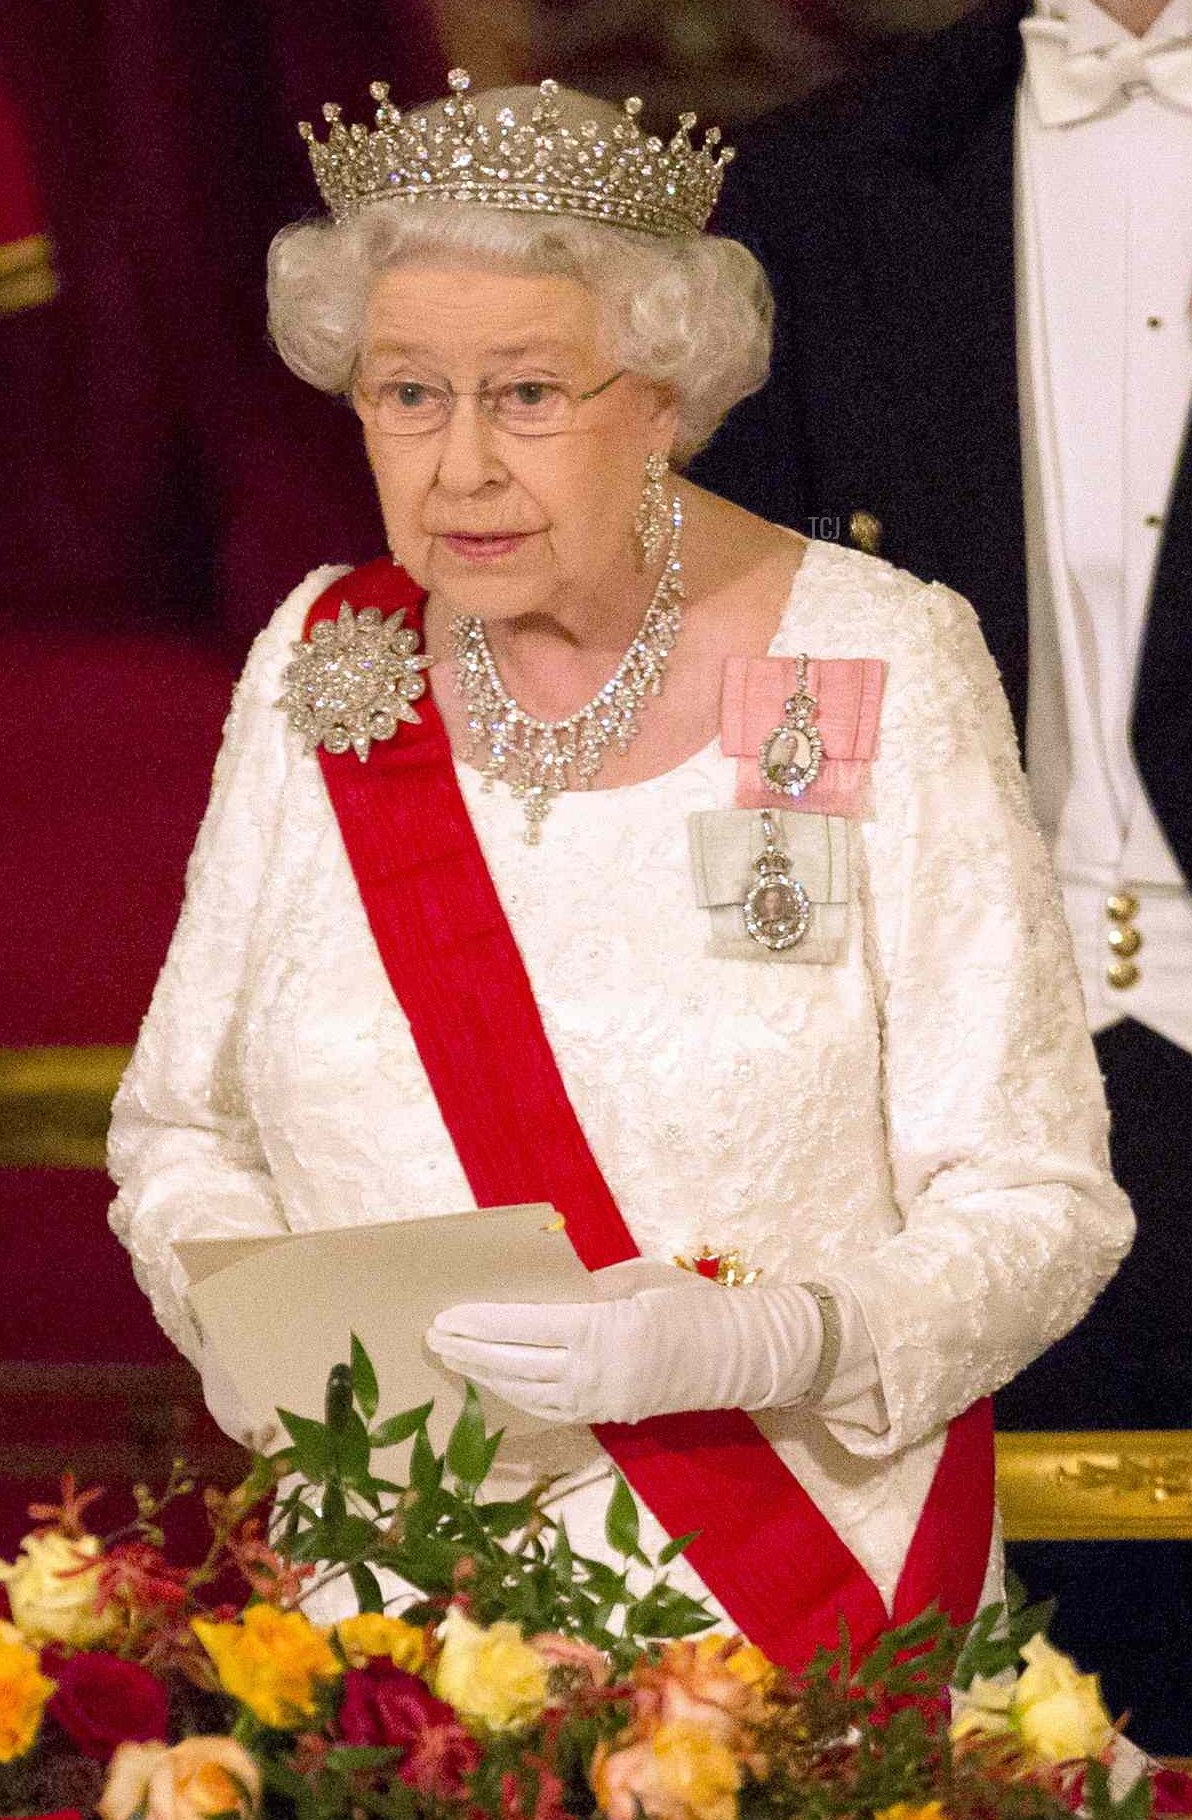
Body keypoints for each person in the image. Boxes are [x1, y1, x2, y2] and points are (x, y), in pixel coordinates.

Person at [107, 70, 1133, 1665]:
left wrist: (776, 1332)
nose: (458, 468)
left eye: (526, 393)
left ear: (665, 395)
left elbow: (1039, 1200)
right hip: (387, 1626)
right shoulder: (321, 656)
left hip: (787, 1617)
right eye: (406, 395)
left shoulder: (866, 656)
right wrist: (242, 1323)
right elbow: (181, 1124)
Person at [687, 0, 1191, 1744]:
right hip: (968, 1055)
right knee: (971, 1691)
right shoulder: (823, 181)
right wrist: (774, 1000)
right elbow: (779, 651)